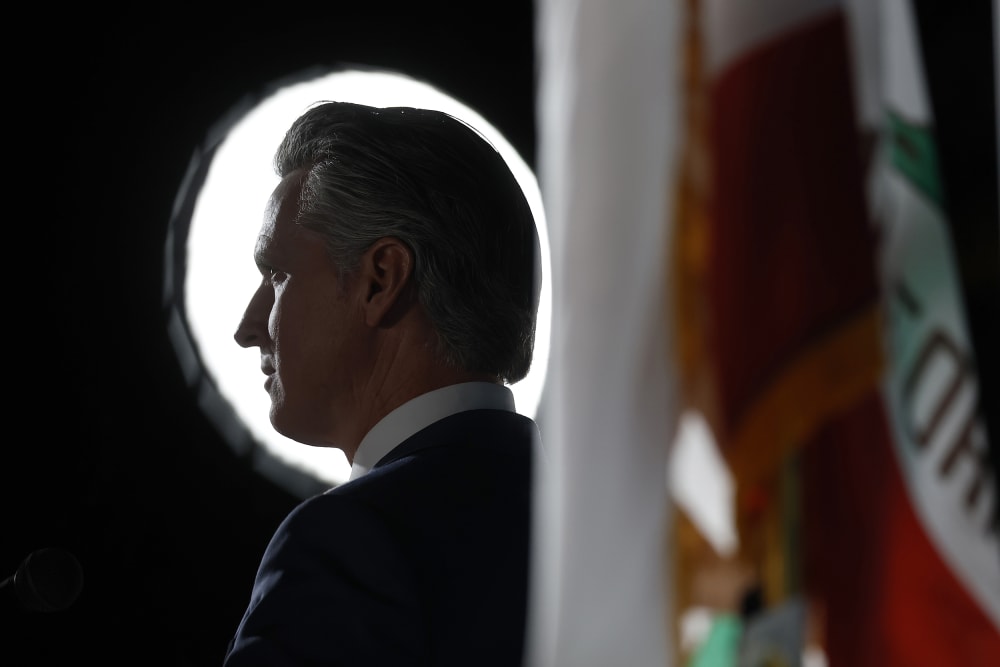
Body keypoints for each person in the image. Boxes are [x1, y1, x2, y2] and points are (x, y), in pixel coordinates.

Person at [224, 100, 543, 666]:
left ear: (381, 279)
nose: (249, 329)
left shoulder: (346, 543)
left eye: (277, 275)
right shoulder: (616, 523)